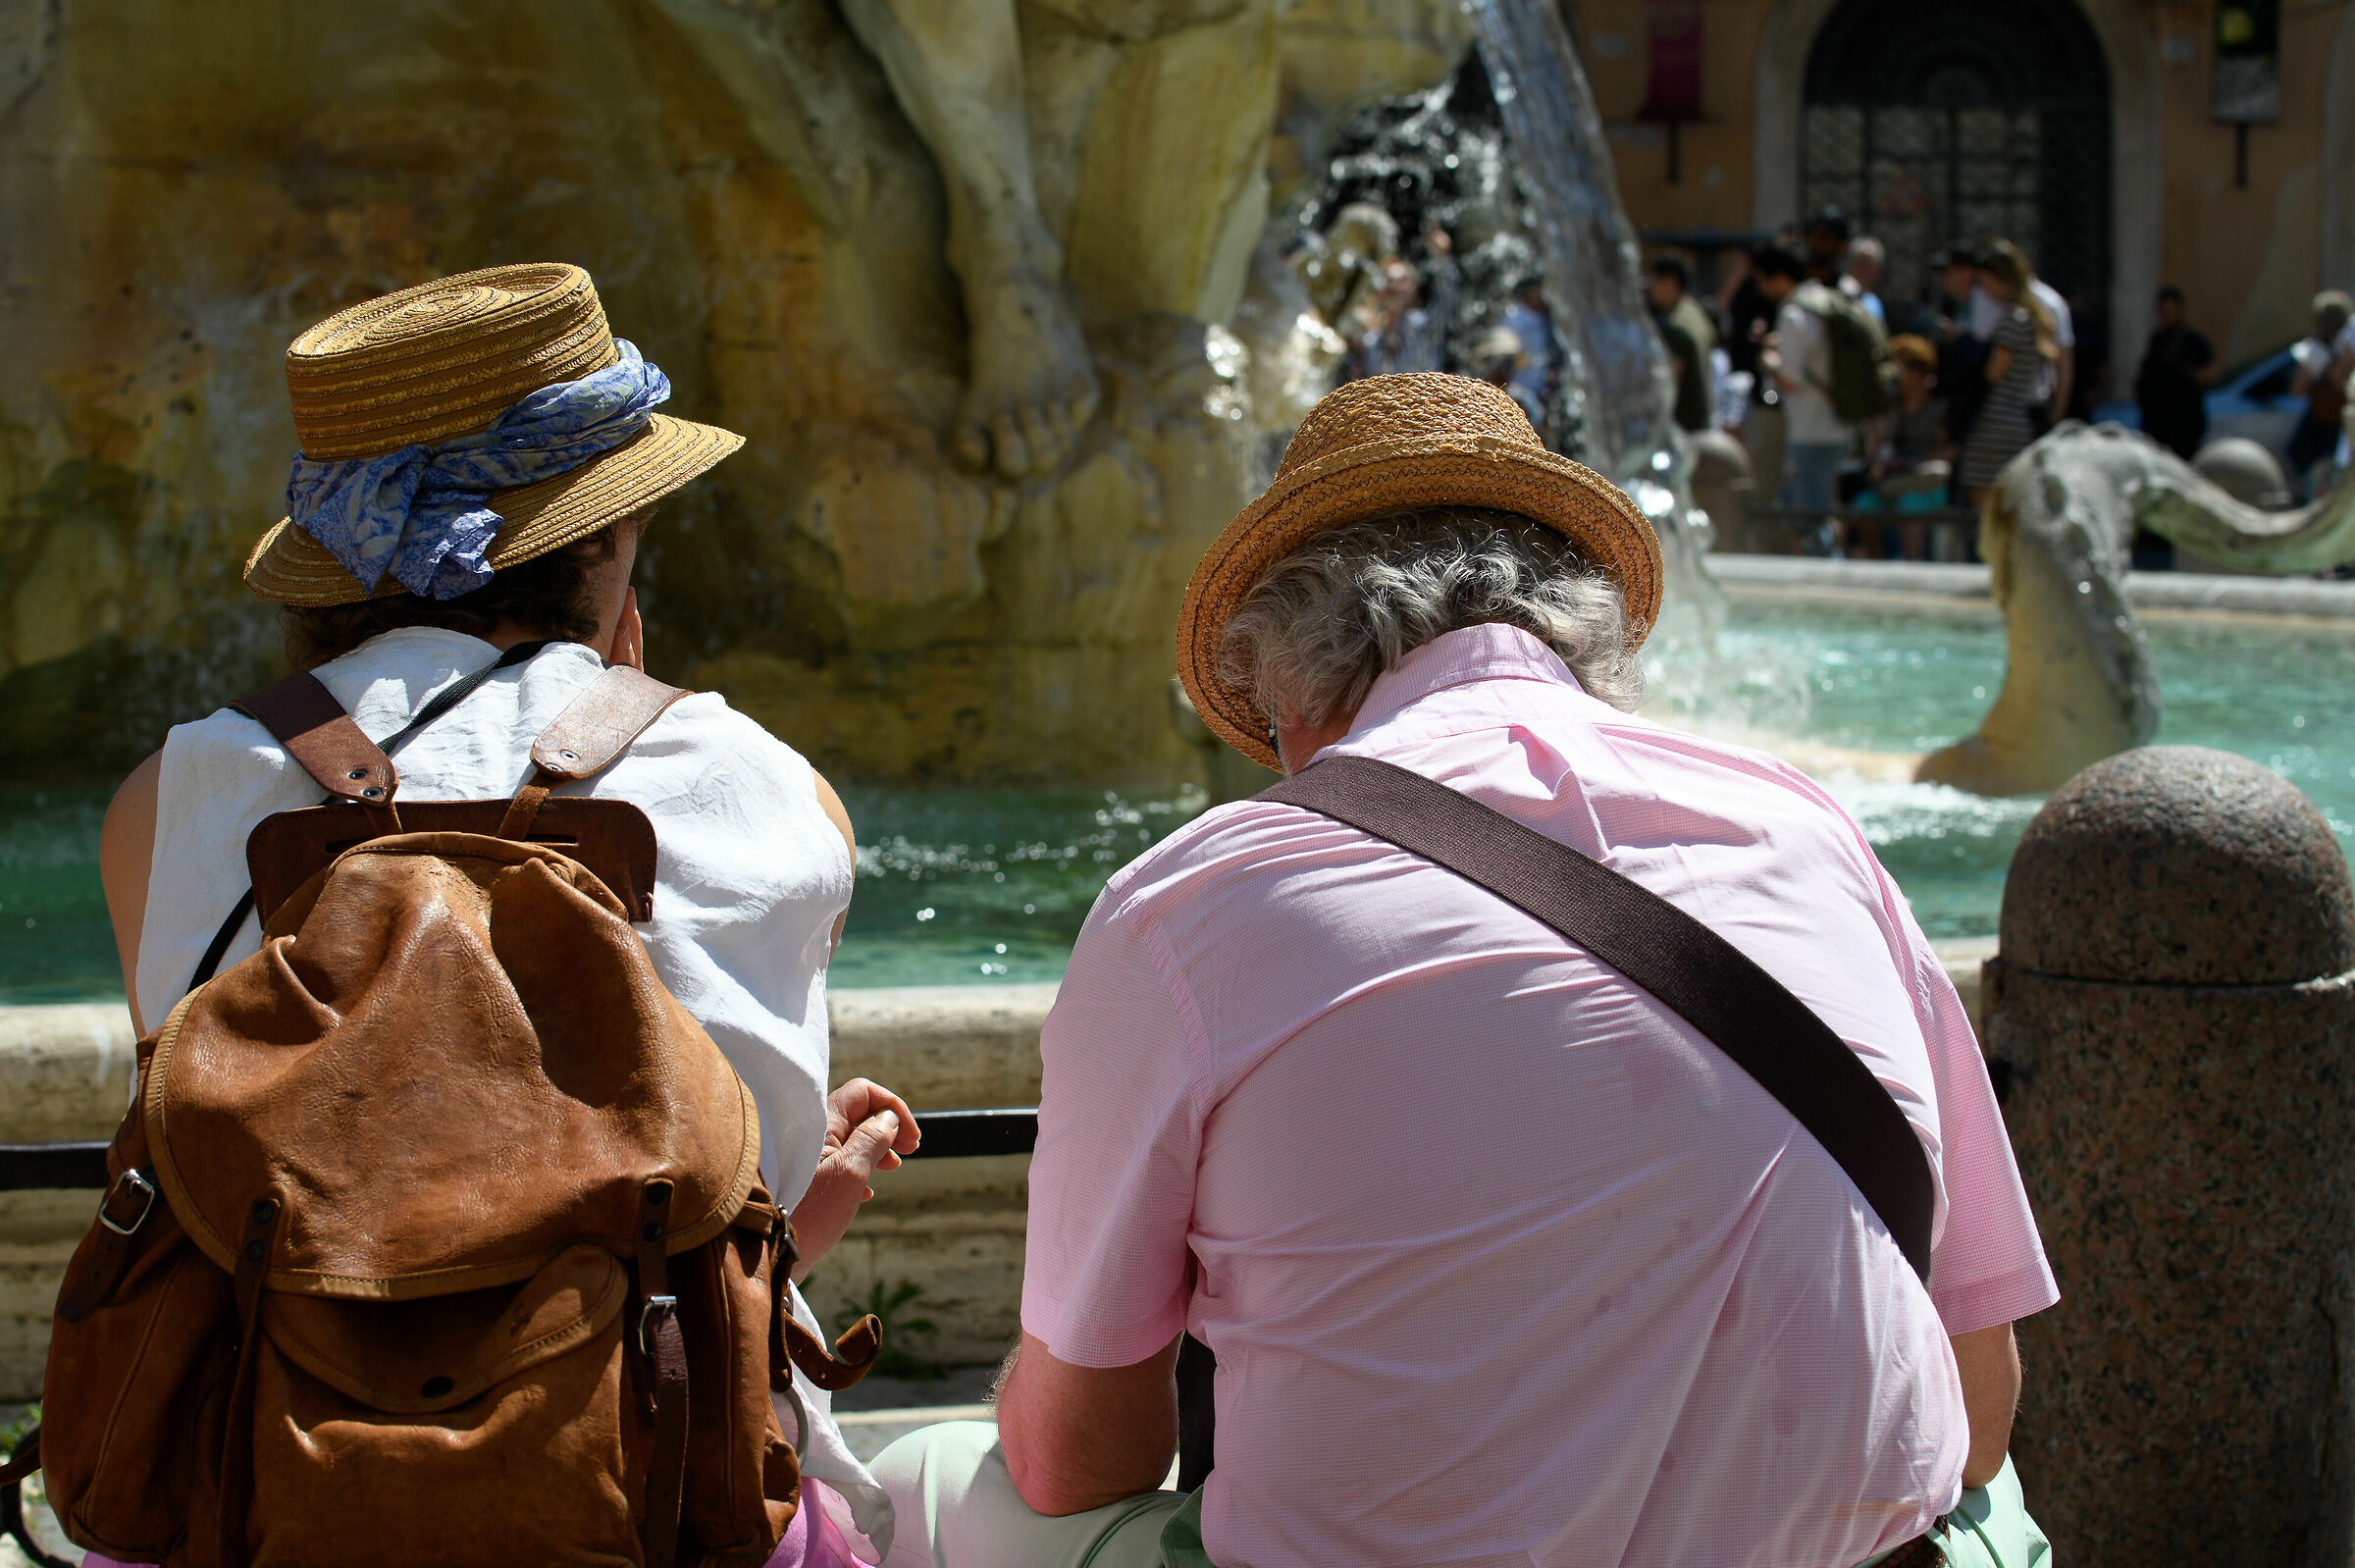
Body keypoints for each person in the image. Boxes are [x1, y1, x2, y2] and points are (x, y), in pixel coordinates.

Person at [867, 373, 2055, 1567]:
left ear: (1288, 679)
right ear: (1582, 627)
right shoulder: (1814, 832)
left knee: (919, 1484)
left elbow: (1078, 1460)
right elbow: (1979, 1410)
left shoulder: (1193, 902)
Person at [93, 264, 916, 1567]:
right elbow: (708, 1229)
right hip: (659, 1499)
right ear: (598, 536)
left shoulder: (169, 796)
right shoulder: (770, 787)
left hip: (253, 1502)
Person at [1753, 244, 1851, 542]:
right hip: (1838, 423)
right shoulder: (1823, 300)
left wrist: (1768, 360)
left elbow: (1790, 380)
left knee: (1810, 521)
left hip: (1810, 429)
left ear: (1779, 277)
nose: (1761, 289)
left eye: (1762, 280)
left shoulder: (1794, 313)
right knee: (1822, 513)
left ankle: (1826, 563)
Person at [1959, 245, 2058, 508]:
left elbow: (1994, 373)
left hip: (1997, 422)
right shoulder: (2032, 317)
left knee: (1988, 509)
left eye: (1985, 282)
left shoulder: (2015, 319)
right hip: (2018, 419)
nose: (1984, 291)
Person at [1971, 240, 2073, 428]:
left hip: (2021, 410)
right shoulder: (1996, 305)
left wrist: (2057, 413)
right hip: (2019, 411)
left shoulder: (2043, 305)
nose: (1984, 291)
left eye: (1986, 283)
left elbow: (2062, 363)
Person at [1340, 224, 1458, 382]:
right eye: (1389, 281)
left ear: (1413, 291)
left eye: (1401, 281)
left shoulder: (1426, 329)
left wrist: (1443, 257)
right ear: (1380, 293)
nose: (1393, 286)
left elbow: (1446, 301)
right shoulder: (1371, 344)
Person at [1873, 334, 1954, 559]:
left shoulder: (1938, 409)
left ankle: (1912, 568)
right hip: (1895, 476)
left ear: (1918, 371)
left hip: (1925, 479)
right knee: (1864, 505)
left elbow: (1949, 452)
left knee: (1908, 506)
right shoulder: (1893, 409)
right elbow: (1878, 448)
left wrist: (1913, 462)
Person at [2134, 286, 2217, 461]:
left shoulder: (2192, 341)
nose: (2167, 316)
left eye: (2170, 311)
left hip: (2184, 421)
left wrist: (2188, 374)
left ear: (2179, 310)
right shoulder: (2157, 341)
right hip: (2159, 423)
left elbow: (2211, 374)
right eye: (2163, 312)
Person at [1648, 253, 1719, 433]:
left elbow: (1672, 382)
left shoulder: (1675, 326)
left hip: (1683, 427)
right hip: (1703, 421)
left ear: (1670, 282)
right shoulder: (1697, 314)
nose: (1650, 288)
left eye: (1654, 281)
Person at [2287, 290, 2352, 487]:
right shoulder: (2346, 345)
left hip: (2320, 423)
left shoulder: (2314, 350)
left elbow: (2297, 388)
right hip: (2342, 421)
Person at [1934, 244, 1992, 460]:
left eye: (1948, 273)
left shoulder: (1985, 303)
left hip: (1980, 413)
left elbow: (1978, 363)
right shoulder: (1963, 305)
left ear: (1967, 272)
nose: (1944, 281)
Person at [1500, 275, 1560, 426]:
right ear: (1528, 293)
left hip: (1541, 389)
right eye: (1537, 290)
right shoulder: (1515, 317)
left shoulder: (1548, 319)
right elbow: (1502, 352)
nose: (1541, 295)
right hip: (1518, 386)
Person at [1844, 235, 1888, 328]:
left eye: (1867, 266)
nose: (1862, 271)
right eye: (1858, 264)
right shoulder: (1837, 294)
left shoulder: (1874, 304)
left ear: (1876, 271)